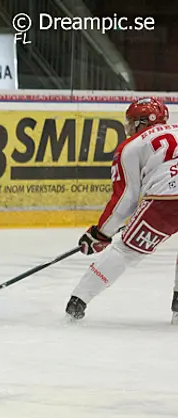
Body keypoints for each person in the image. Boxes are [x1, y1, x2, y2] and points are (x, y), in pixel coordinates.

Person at [65, 97, 178, 323]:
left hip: (166, 200)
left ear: (143, 122)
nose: (129, 127)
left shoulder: (132, 146)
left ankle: (77, 302)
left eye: (132, 122)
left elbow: (125, 198)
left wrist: (101, 234)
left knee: (127, 250)